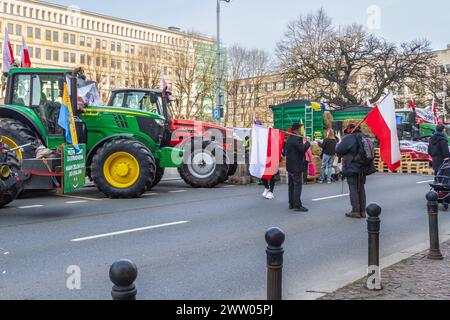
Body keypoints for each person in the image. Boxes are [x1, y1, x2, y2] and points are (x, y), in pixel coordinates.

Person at [336, 124, 372, 219]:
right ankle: (363, 211)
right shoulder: (364, 136)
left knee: (353, 188)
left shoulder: (349, 138)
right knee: (361, 188)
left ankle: (355, 211)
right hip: (363, 167)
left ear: (349, 130)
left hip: (352, 167)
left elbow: (338, 150)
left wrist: (339, 143)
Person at [286, 123, 311, 212]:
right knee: (297, 185)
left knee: (291, 185)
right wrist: (308, 142)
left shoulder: (289, 138)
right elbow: (302, 149)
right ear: (297, 130)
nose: (301, 130)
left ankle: (291, 203)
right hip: (296, 166)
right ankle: (297, 205)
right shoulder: (297, 138)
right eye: (300, 128)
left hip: (290, 166)